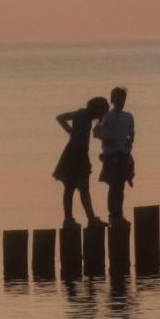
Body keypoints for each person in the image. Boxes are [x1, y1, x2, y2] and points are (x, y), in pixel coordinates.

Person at [53, 96, 110, 227]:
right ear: (97, 109)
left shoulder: (84, 115)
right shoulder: (83, 114)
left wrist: (71, 132)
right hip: (75, 153)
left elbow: (60, 118)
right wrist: (71, 132)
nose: (102, 115)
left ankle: (76, 219)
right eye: (102, 112)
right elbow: (60, 118)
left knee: (74, 188)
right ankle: (77, 219)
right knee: (75, 188)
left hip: (78, 153)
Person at [94, 86, 135, 223]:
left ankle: (119, 214)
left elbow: (131, 133)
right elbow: (96, 132)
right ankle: (113, 215)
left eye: (122, 98)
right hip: (111, 155)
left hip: (123, 153)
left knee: (121, 186)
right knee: (114, 185)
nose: (120, 101)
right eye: (117, 98)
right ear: (112, 100)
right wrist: (106, 139)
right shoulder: (106, 116)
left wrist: (130, 142)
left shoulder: (128, 116)